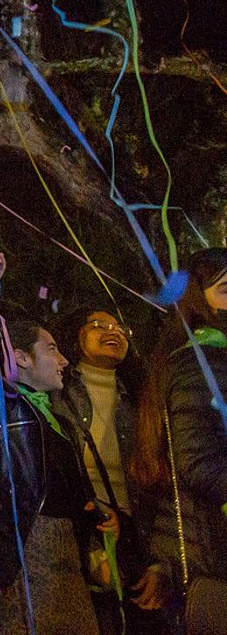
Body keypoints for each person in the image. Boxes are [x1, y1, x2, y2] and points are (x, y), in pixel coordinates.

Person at [0, 230, 105, 635]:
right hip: (22, 559)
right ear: (20, 357)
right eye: (52, 349)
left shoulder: (57, 414)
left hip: (66, 564)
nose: (63, 359)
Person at [53, 302, 170, 632]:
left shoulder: (142, 400)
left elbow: (161, 486)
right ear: (78, 338)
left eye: (120, 328)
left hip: (140, 548)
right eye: (99, 326)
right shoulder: (59, 395)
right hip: (84, 548)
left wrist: (162, 562)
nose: (113, 332)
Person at [132, 248, 227, 635]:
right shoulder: (200, 360)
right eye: (225, 289)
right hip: (215, 558)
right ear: (196, 301)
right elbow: (197, 461)